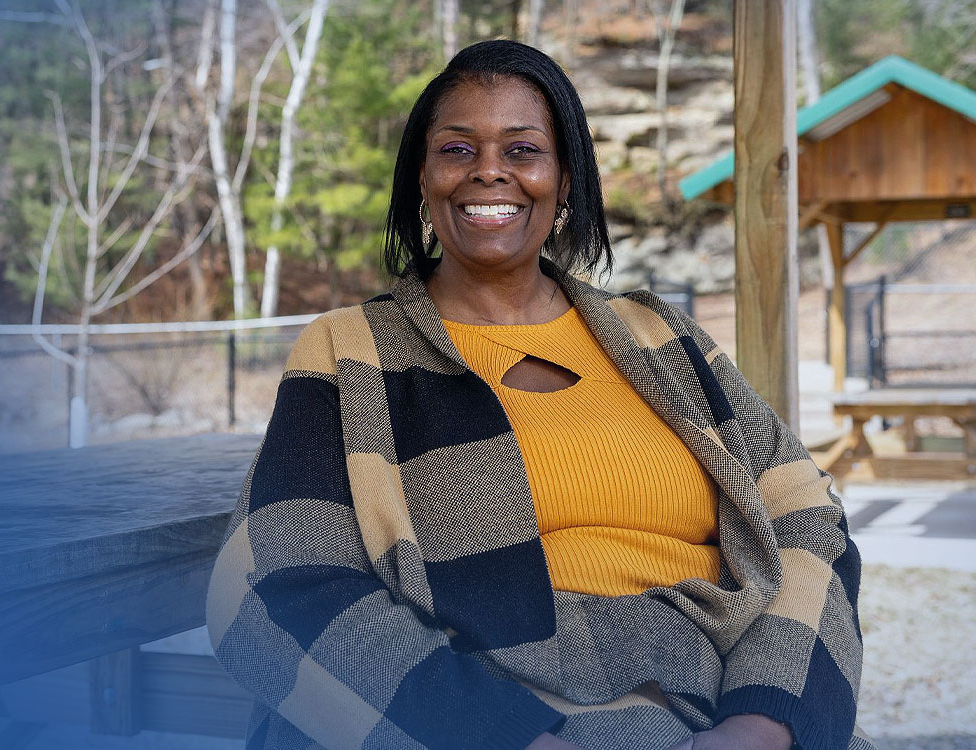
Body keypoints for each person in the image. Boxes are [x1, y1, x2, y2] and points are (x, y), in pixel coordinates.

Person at [205, 40, 870, 750]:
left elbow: (806, 518)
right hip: (485, 710)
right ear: (423, 182)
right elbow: (282, 580)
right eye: (457, 150)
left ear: (566, 181)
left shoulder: (661, 340)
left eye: (523, 150)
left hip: (707, 703)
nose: (490, 170)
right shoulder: (352, 351)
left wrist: (761, 724)